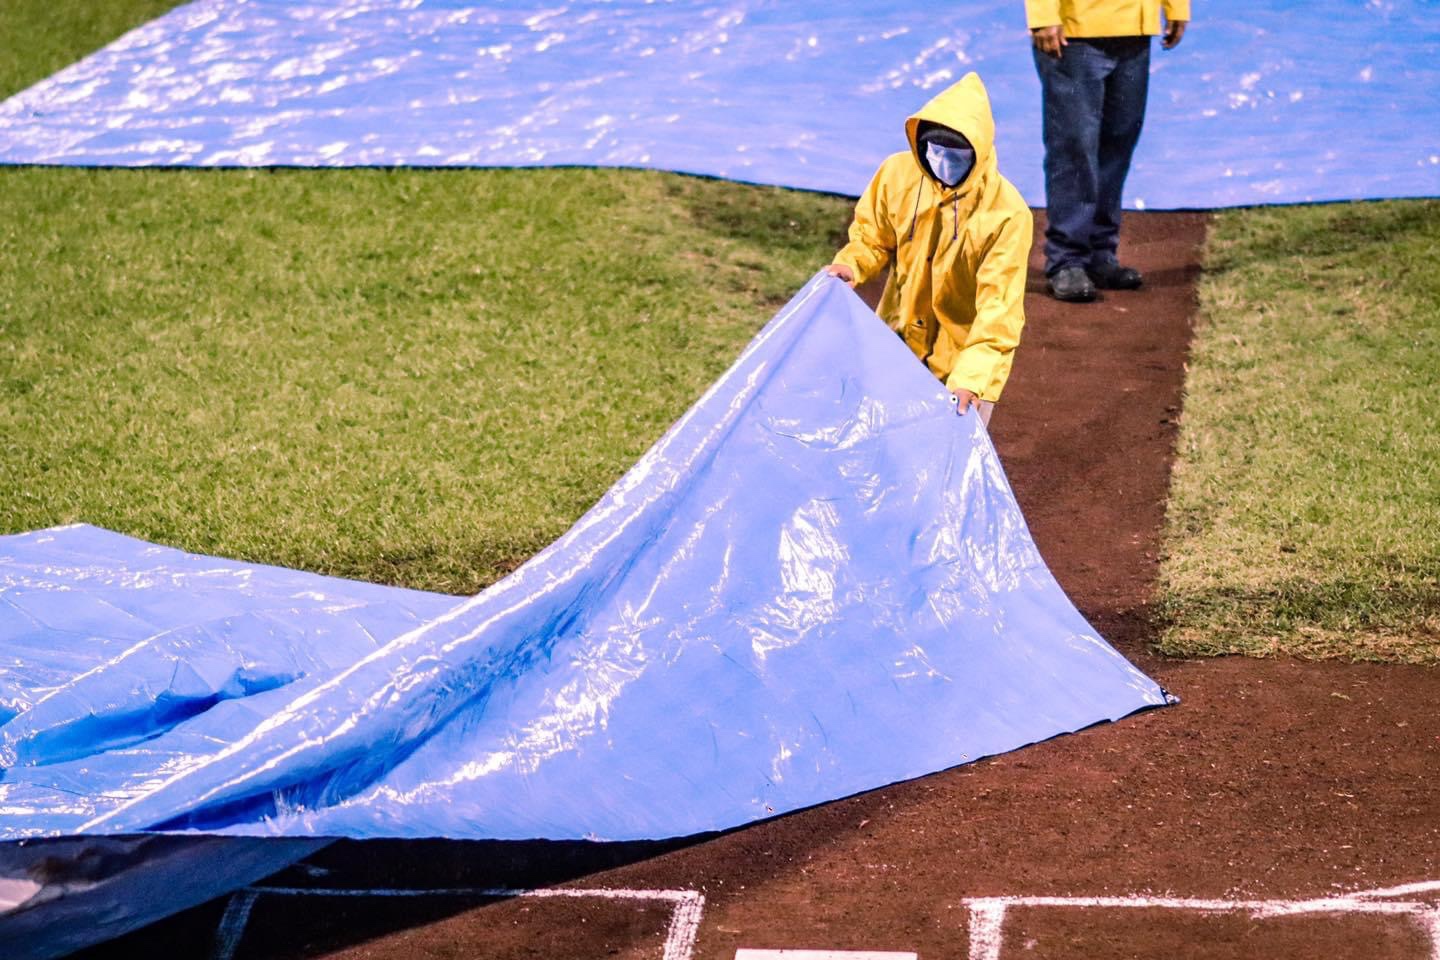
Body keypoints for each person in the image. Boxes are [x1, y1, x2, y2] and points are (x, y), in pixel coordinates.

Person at [825, 72, 1031, 427]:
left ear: (979, 154)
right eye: (935, 151)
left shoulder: (1007, 215)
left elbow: (999, 311)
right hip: (896, 348)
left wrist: (973, 379)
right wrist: (851, 265)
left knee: (947, 469)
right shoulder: (896, 175)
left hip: (960, 369)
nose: (943, 162)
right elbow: (872, 238)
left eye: (957, 155)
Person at [1029, 0, 1189, 302]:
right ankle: (1067, 259)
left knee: (1119, 141)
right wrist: (1043, 15)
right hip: (1074, 33)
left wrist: (1177, 6)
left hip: (1136, 33)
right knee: (1074, 148)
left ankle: (1100, 254)